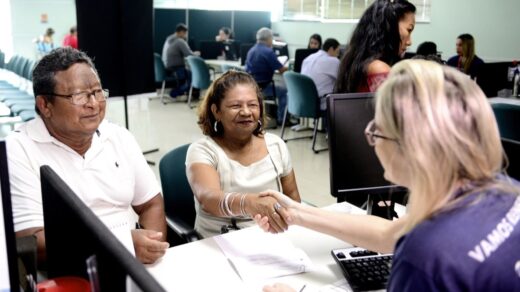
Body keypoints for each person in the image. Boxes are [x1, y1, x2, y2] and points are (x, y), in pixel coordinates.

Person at [258, 60, 520, 291]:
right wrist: (298, 213)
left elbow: (410, 243)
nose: (371, 138)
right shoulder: (503, 188)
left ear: (412, 148)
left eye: (377, 129)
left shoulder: (424, 258)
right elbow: (390, 234)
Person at [7, 47, 169, 265]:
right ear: (45, 105)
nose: (93, 104)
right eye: (79, 96)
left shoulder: (119, 137)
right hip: (69, 272)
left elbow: (151, 204)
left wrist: (152, 252)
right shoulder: (19, 149)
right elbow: (33, 241)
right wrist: (122, 247)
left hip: (134, 265)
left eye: (97, 92)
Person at [186, 70, 301, 238]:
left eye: (252, 105)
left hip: (272, 239)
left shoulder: (276, 145)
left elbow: (293, 200)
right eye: (235, 106)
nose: (246, 112)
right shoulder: (202, 150)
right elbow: (209, 199)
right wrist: (250, 203)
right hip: (219, 242)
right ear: (216, 111)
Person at [335, 0, 416, 93]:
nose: (410, 42)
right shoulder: (378, 68)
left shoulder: (358, 62)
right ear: (390, 27)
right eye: (409, 30)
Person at [245, 27, 289, 125]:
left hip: (251, 86)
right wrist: (289, 67)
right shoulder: (268, 52)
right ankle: (282, 120)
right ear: (269, 38)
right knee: (284, 91)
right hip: (263, 87)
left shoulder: (251, 50)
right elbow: (281, 70)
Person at [301, 38, 340, 115]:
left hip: (303, 100)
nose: (338, 55)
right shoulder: (333, 61)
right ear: (331, 49)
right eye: (337, 52)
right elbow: (343, 80)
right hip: (320, 102)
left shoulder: (308, 58)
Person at [162, 23, 198, 99]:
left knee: (190, 74)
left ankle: (190, 94)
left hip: (167, 66)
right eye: (185, 33)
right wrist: (197, 53)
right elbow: (189, 54)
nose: (186, 35)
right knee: (193, 76)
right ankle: (173, 93)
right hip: (176, 67)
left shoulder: (170, 39)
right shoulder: (179, 41)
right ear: (181, 32)